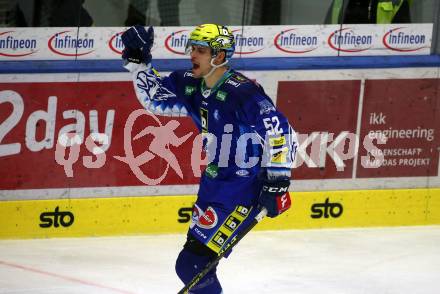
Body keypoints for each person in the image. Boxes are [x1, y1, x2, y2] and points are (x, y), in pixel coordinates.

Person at [121, 24, 297, 293]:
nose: (193, 55)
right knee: (195, 265)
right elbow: (155, 98)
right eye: (193, 48)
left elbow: (280, 131)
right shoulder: (190, 84)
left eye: (201, 50)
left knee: (192, 265)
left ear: (219, 56)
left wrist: (277, 182)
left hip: (243, 191)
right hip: (214, 186)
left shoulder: (243, 92)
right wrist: (139, 62)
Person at [325, 0, 412, 24]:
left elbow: (404, 43)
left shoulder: (397, 2)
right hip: (341, 62)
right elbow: (324, 38)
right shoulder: (339, 3)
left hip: (382, 62)